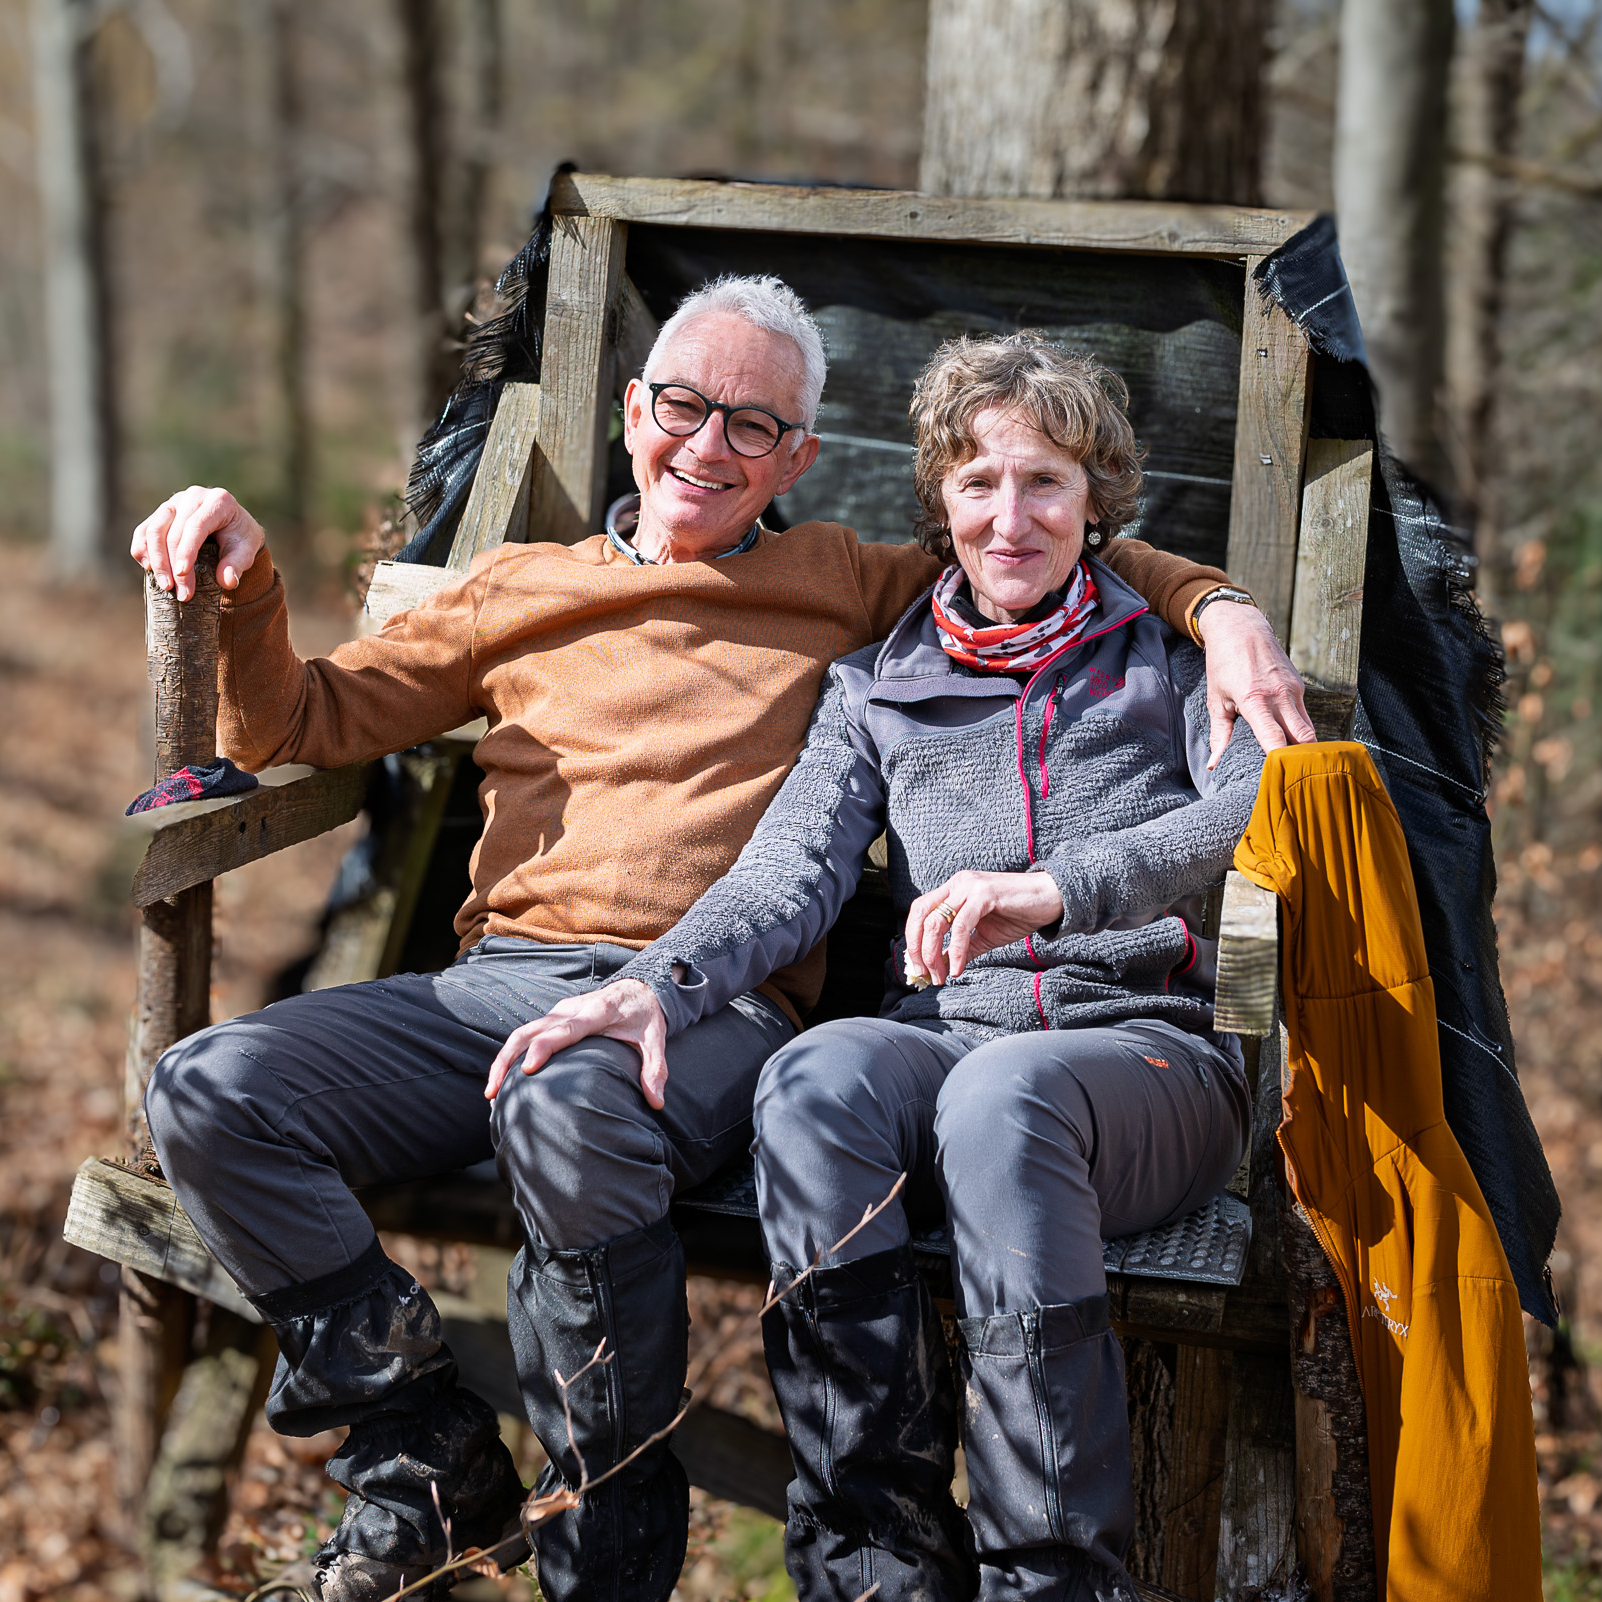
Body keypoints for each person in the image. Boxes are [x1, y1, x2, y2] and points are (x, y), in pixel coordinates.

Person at [132, 277, 1312, 1602]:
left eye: (754, 425)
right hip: (505, 985)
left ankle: (608, 1553)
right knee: (207, 1090)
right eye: (684, 406)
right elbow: (293, 724)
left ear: (799, 458)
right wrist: (247, 580)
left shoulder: (847, 583)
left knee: (574, 1103)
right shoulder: (528, 587)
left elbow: (1042, 552)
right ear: (633, 411)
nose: (709, 445)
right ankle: (423, 1454)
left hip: (718, 1012)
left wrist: (1220, 607)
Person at [495, 333, 1264, 1602]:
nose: (1010, 518)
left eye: (1046, 483)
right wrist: (655, 984)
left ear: (1097, 504)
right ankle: (875, 1559)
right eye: (979, 483)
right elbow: (786, 875)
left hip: (1148, 1061)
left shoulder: (1175, 663)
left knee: (1004, 1101)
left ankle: (1051, 1578)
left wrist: (1059, 889)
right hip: (952, 1043)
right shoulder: (877, 684)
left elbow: (1252, 807)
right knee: (812, 1080)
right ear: (939, 502)